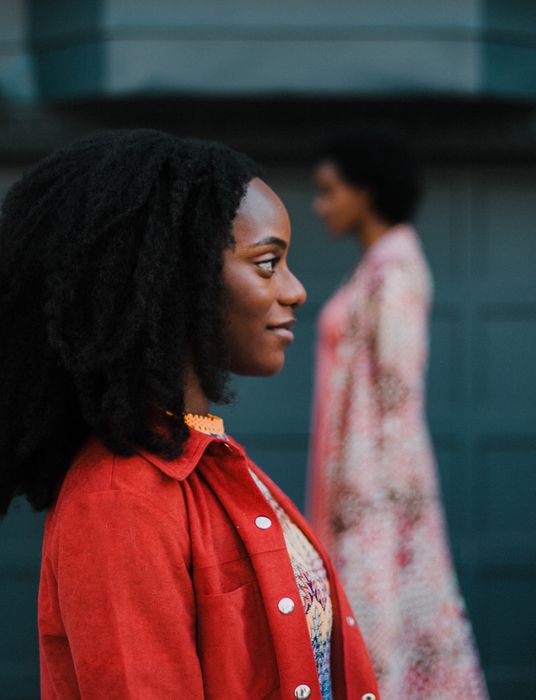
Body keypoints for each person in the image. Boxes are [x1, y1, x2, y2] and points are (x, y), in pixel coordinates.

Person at [0, 129, 379, 700]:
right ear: (180, 283)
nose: (296, 291)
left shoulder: (209, 462)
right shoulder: (117, 502)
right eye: (268, 263)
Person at [307, 129, 488, 700]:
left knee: (377, 619)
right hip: (354, 484)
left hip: (376, 490)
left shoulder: (395, 272)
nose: (320, 205)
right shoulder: (375, 268)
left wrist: (377, 504)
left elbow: (398, 395)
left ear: (367, 191)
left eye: (330, 190)